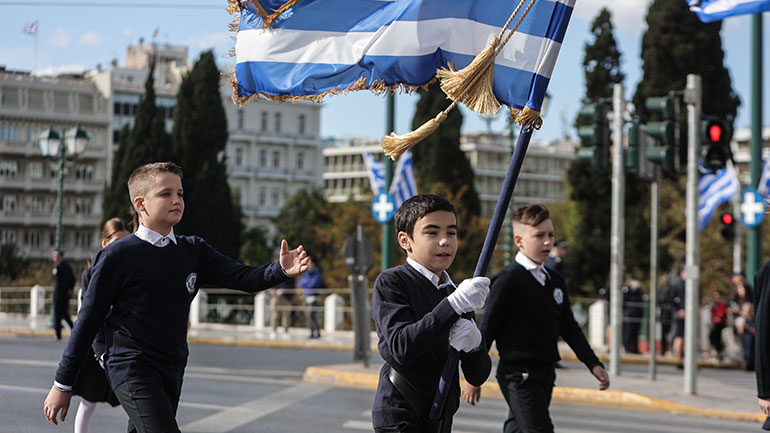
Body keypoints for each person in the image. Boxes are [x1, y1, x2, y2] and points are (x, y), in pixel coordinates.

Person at [44, 162, 310, 432]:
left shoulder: (193, 250)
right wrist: (62, 384)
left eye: (180, 194)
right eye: (165, 194)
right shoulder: (116, 256)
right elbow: (87, 320)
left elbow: (244, 278)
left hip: (171, 366)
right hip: (131, 366)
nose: (177, 200)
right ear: (141, 203)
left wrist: (280, 270)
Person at [463, 203, 609, 433]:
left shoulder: (554, 279)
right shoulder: (509, 278)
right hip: (518, 374)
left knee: (518, 429)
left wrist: (593, 363)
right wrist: (474, 375)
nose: (548, 242)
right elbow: (488, 327)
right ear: (519, 241)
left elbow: (568, 326)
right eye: (539, 236)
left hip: (545, 371)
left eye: (550, 235)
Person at [371, 194, 491, 433]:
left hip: (440, 418)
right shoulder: (392, 282)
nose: (445, 241)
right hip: (400, 414)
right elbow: (400, 347)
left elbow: (478, 375)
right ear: (406, 240)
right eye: (432, 232)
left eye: (452, 232)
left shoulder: (456, 292)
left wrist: (475, 345)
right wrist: (453, 306)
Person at [71, 218, 130, 433]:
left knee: (134, 400)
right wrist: (100, 352)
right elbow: (89, 316)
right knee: (89, 400)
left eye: (126, 241)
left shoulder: (130, 271)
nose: (122, 247)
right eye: (117, 241)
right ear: (105, 242)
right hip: (97, 347)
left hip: (122, 344)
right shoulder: (91, 274)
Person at [52, 250, 75, 341]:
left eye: (56, 256)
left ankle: (58, 334)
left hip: (59, 294)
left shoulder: (59, 267)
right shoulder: (68, 267)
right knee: (65, 314)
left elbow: (61, 282)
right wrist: (70, 290)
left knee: (57, 314)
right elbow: (73, 279)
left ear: (59, 257)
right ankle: (74, 331)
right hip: (66, 294)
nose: (54, 258)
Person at [299, 259, 324, 339]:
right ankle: (312, 332)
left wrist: (306, 282)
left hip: (313, 298)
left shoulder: (317, 274)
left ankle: (317, 332)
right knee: (308, 316)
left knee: (311, 315)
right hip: (306, 298)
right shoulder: (306, 273)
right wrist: (308, 282)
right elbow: (300, 283)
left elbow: (313, 285)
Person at [622, 278, 643, 354]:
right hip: (629, 314)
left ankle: (635, 348)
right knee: (628, 332)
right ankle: (627, 348)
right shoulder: (626, 290)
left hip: (637, 314)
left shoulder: (638, 290)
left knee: (635, 332)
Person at [671, 266, 687, 369]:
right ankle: (678, 359)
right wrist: (679, 310)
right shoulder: (680, 284)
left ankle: (682, 359)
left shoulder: (690, 284)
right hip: (682, 315)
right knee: (680, 337)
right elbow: (671, 299)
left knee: (685, 338)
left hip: (685, 314)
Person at [709, 289, 728, 360]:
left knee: (716, 337)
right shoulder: (714, 304)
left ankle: (719, 351)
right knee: (712, 337)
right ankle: (717, 351)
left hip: (721, 324)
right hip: (715, 323)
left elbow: (721, 314)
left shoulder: (723, 304)